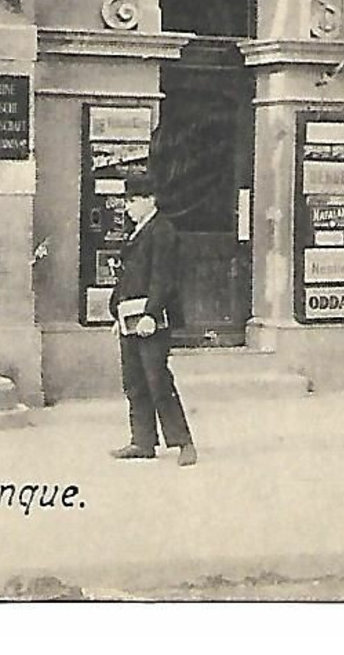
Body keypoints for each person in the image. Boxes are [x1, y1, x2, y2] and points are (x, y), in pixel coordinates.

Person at [108, 172, 197, 466]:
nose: (128, 207)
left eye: (133, 200)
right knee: (133, 380)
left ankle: (183, 442)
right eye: (127, 200)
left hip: (151, 320)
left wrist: (151, 314)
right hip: (129, 318)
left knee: (157, 379)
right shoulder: (138, 231)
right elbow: (127, 278)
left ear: (150, 200)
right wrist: (117, 312)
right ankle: (142, 441)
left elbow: (163, 278)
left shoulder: (162, 231)